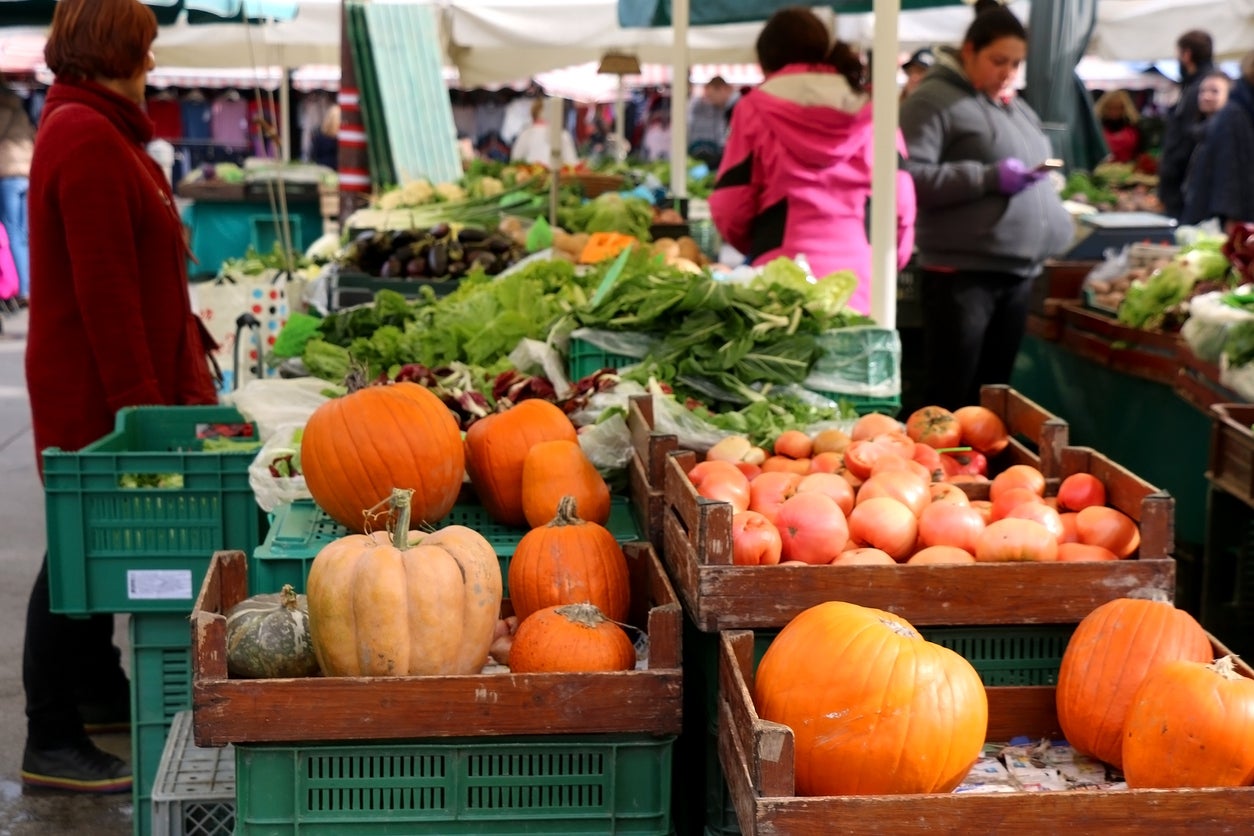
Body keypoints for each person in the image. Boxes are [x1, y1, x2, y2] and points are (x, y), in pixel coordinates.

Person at [21, 0, 221, 793]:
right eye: (142, 50)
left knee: (99, 542)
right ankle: (49, 734)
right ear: (111, 51)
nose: (151, 65)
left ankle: (99, 693)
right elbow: (108, 298)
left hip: (108, 383)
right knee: (77, 550)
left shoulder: (101, 130)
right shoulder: (85, 137)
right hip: (94, 389)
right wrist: (147, 413)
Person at [898, 0, 1072, 412]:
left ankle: (979, 476)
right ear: (969, 50)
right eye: (999, 60)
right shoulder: (932, 100)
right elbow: (907, 176)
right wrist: (988, 177)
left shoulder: (1012, 104)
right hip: (962, 275)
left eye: (1016, 63)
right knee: (950, 397)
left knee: (990, 400)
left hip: (1014, 273)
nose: (1008, 72)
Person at [709, 6, 916, 315]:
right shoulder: (874, 108)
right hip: (862, 280)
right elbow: (901, 202)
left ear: (767, 61)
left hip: (779, 281)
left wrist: (757, 245)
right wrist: (887, 260)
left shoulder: (752, 108)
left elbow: (730, 202)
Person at [1181, 54, 1254, 231]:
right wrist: (1231, 218)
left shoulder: (1239, 111)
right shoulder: (1236, 114)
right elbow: (1229, 173)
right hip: (1217, 220)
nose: (1206, 96)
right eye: (1203, 91)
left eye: (1214, 91)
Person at [1158, 29, 1216, 219]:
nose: (1208, 96)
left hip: (1185, 186)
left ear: (1187, 54)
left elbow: (1187, 137)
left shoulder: (1197, 89)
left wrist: (1171, 177)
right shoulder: (1194, 85)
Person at [0, 77, 33, 309]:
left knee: (11, 233)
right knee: (22, 234)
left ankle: (21, 288)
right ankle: (28, 285)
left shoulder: (3, 109)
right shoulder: (21, 108)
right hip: (26, 174)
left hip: (8, 174)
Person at [510, 98, 577, 167]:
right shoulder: (563, 134)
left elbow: (515, 161)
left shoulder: (526, 134)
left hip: (531, 175)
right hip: (557, 175)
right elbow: (572, 163)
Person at [687, 76, 733, 166]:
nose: (711, 101)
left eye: (711, 96)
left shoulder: (736, 108)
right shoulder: (725, 110)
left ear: (722, 89)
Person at [1094, 89, 1142, 163]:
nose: (1114, 112)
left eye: (1118, 108)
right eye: (1110, 108)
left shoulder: (1133, 125)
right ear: (1104, 107)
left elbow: (1140, 151)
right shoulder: (1097, 126)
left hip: (1129, 167)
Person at [310, 103, 340, 169]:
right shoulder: (339, 139)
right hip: (334, 170)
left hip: (321, 170)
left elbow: (313, 155)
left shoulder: (319, 137)